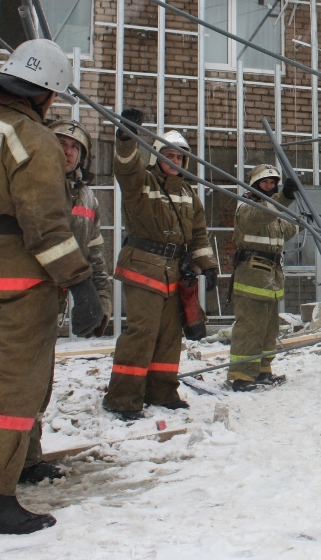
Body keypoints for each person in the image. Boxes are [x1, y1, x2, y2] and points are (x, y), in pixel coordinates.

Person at [0, 39, 103, 534]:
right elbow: (45, 223)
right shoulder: (32, 137)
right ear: (47, 95)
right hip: (18, 277)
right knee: (9, 390)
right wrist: (81, 285)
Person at [103, 115, 217, 419]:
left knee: (169, 337)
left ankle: (162, 391)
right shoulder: (142, 183)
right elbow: (125, 168)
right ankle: (123, 398)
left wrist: (207, 265)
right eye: (168, 155)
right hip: (143, 269)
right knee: (142, 333)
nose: (175, 160)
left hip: (174, 272)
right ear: (156, 157)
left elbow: (200, 235)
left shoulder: (190, 194)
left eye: (179, 156)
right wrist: (127, 138)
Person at [18, 119, 113, 485]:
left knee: (39, 382)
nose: (67, 151)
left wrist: (101, 298)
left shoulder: (87, 198)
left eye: (75, 147)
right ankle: (10, 462)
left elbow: (94, 251)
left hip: (55, 301)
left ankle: (28, 457)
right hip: (27, 295)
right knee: (20, 383)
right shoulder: (37, 186)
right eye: (60, 143)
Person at [228, 165, 301, 391]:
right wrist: (284, 198)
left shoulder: (274, 209)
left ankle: (262, 371)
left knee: (269, 329)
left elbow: (286, 230)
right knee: (250, 328)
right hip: (251, 276)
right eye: (265, 183)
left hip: (271, 278)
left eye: (273, 183)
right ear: (255, 185)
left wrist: (302, 222)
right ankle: (242, 375)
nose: (269, 187)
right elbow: (259, 217)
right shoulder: (247, 206)